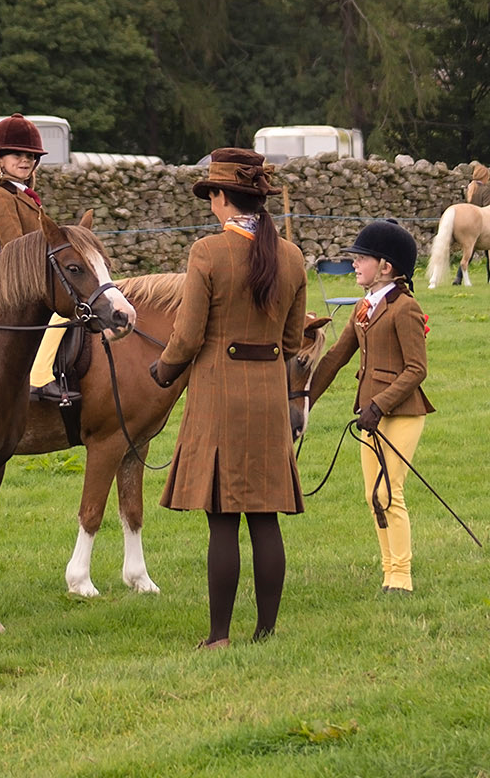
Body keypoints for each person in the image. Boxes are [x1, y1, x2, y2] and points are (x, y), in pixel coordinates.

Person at [151, 148, 307, 648]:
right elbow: (291, 341)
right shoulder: (292, 257)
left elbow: (189, 333)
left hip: (219, 396)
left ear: (222, 198)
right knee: (264, 517)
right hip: (267, 397)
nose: (211, 205)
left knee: (223, 522)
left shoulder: (208, 253)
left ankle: (219, 636)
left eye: (212, 196)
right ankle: (266, 632)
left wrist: (164, 369)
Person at [306, 219, 433, 595]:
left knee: (388, 492)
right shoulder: (364, 306)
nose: (354, 265)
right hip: (371, 416)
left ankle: (402, 577)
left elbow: (416, 369)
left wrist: (378, 403)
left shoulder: (405, 308)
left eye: (361, 259)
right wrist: (302, 399)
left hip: (403, 413)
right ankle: (387, 574)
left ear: (386, 267)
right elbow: (335, 358)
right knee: (371, 496)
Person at [0, 114, 73, 405]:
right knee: (63, 310)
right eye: (17, 154)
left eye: (31, 156)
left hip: (38, 274)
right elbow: (15, 249)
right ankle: (41, 376)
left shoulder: (28, 197)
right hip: (16, 279)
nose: (26, 160)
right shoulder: (0, 196)